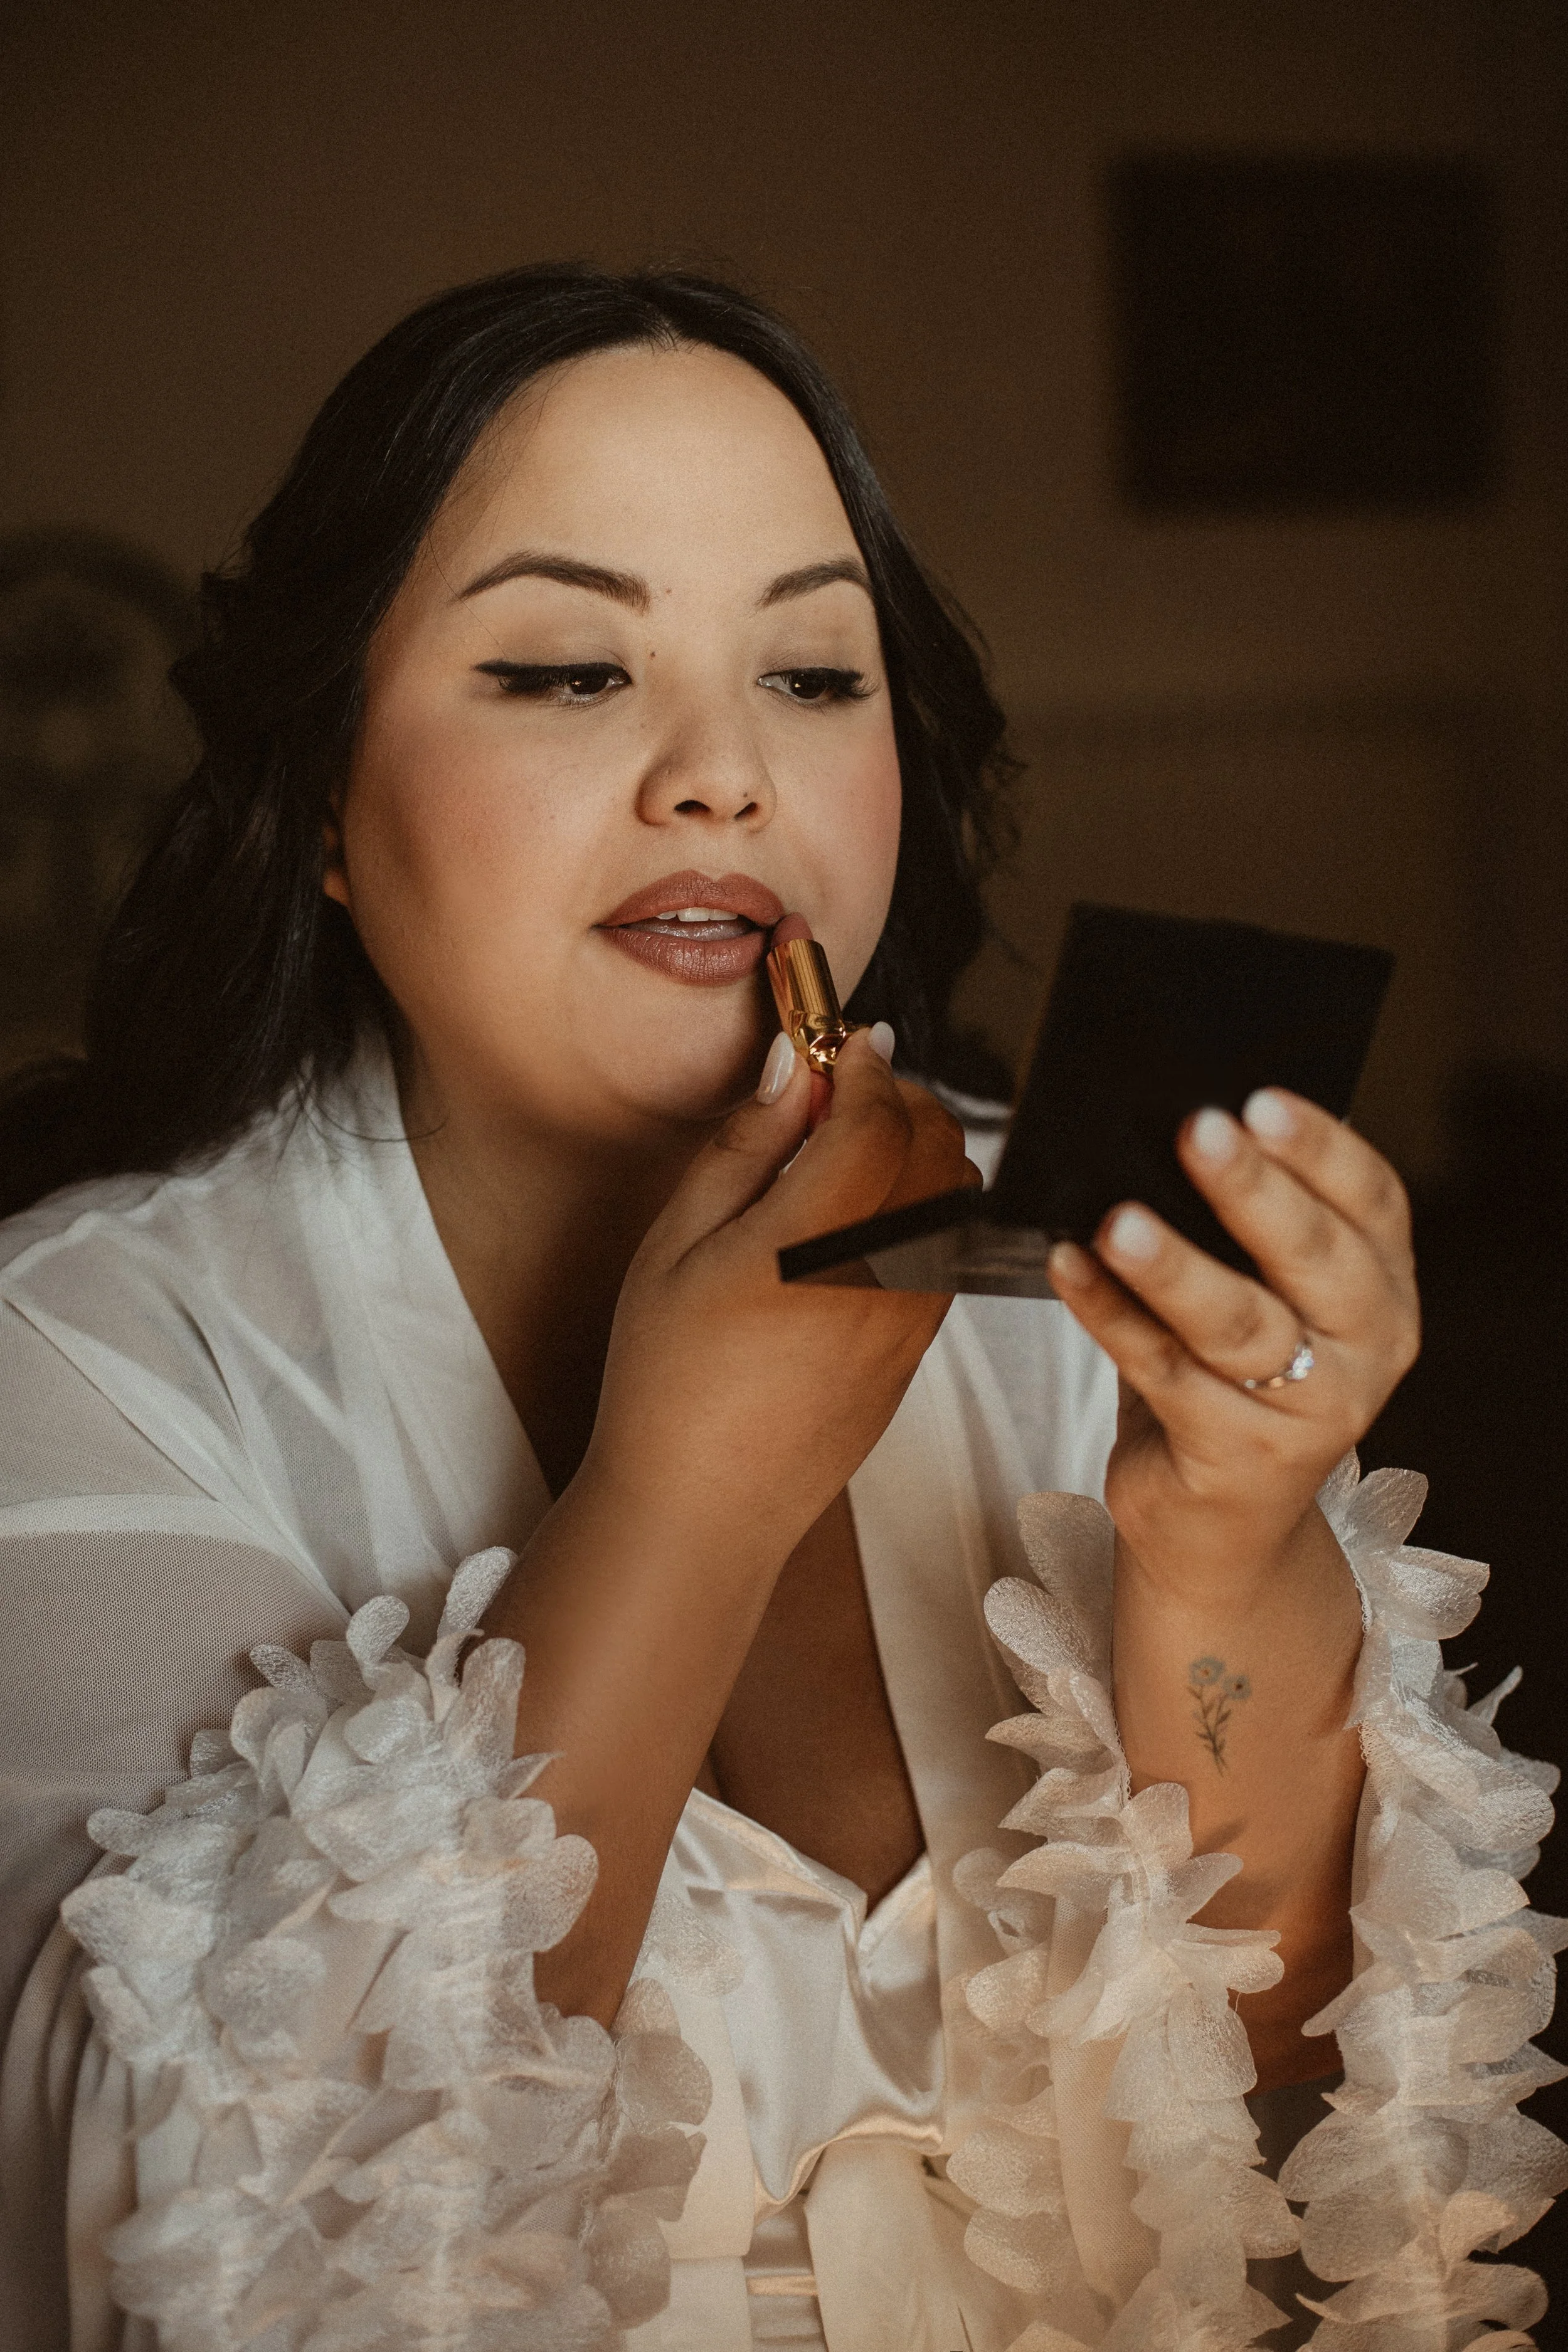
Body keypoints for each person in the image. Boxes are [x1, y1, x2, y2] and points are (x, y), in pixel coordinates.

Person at [0, 265, 1558, 2352]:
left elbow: (1273, 2086)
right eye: (567, 668)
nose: (723, 773)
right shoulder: (86, 1359)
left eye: (814, 673)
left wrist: (1225, 1534)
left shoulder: (1068, 1269)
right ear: (323, 805)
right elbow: (193, 2237)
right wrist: (686, 1493)